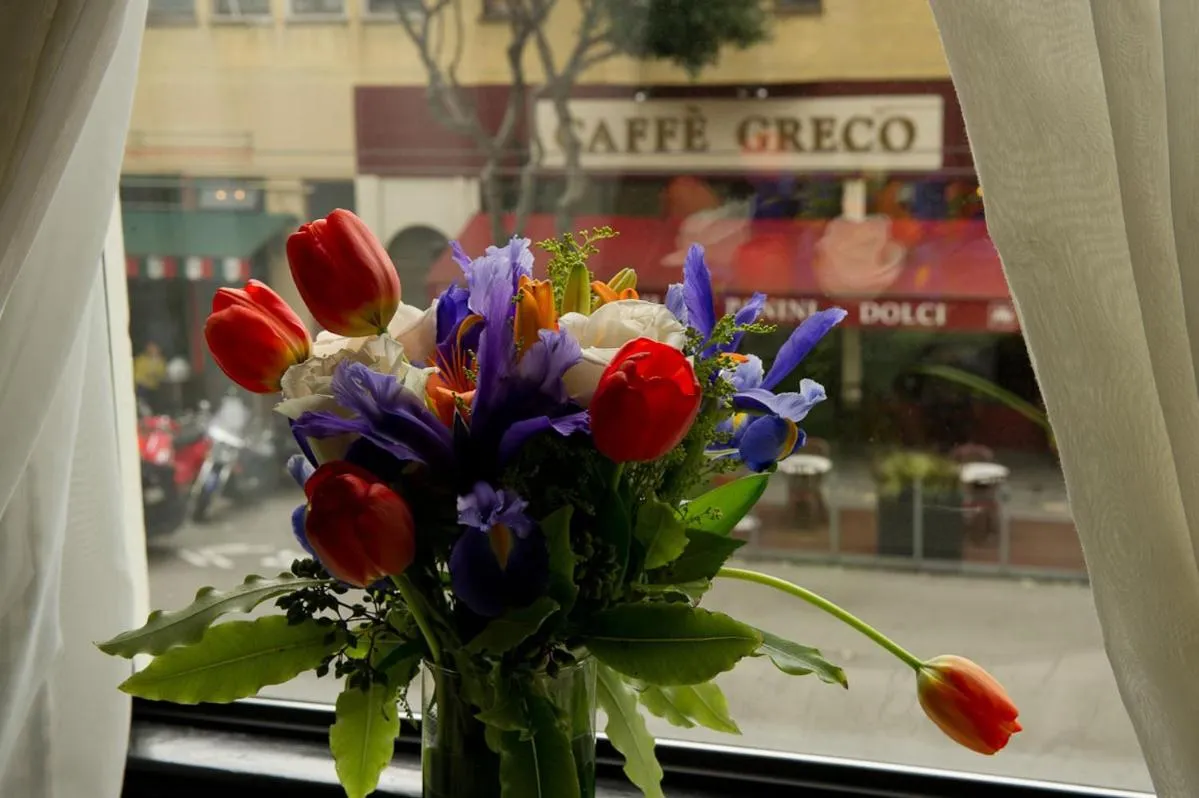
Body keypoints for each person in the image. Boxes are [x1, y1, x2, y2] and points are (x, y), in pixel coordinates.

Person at [133, 341, 167, 412]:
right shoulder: (141, 360)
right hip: (143, 386)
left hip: (156, 386)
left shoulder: (160, 360)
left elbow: (162, 373)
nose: (153, 350)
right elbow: (138, 376)